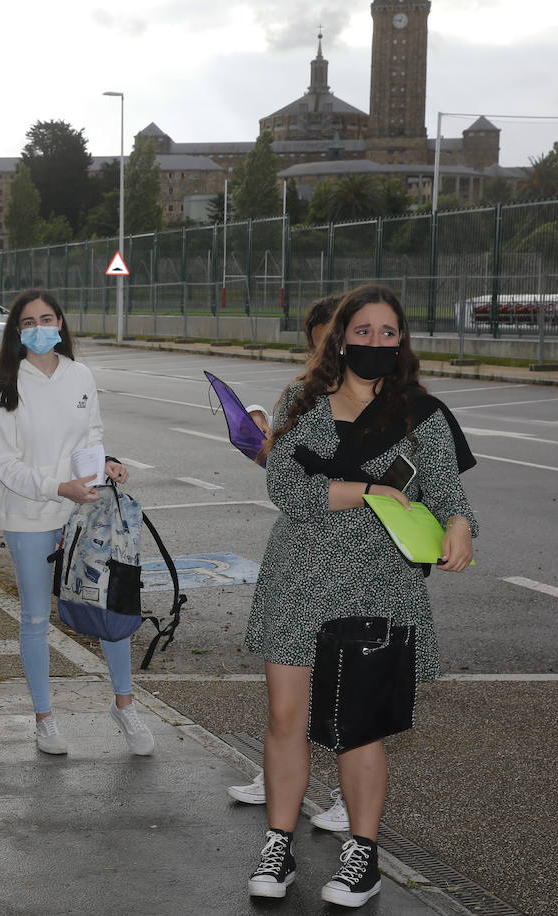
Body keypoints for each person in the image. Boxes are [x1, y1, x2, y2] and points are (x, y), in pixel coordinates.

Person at [243, 283, 477, 907]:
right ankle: (278, 843)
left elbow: (450, 497)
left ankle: (361, 856)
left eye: (388, 333)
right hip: (299, 578)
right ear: (341, 336)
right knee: (286, 718)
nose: (375, 342)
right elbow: (285, 488)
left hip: (379, 587)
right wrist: (366, 492)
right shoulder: (302, 398)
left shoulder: (420, 413)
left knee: (360, 727)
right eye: (364, 331)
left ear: (402, 341)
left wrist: (460, 526)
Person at [0, 288, 153, 757]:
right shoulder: (3, 385)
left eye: (47, 318)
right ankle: (45, 719)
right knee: (37, 618)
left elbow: (91, 436)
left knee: (110, 606)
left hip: (86, 514)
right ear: (17, 332)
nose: (40, 328)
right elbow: (7, 465)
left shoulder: (80, 375)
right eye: (29, 322)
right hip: (30, 515)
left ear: (61, 323)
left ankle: (124, 705)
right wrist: (60, 487)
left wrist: (106, 465)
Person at [231, 292, 348, 831]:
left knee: (347, 685)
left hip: (358, 562)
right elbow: (289, 482)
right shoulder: (298, 398)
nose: (337, 350)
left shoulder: (390, 402)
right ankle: (278, 778)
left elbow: (421, 483)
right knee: (287, 696)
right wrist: (264, 447)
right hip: (299, 561)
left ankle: (352, 795)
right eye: (323, 342)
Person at [245, 294, 344, 442]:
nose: (328, 358)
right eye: (318, 351)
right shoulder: (302, 392)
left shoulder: (381, 395)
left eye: (336, 347)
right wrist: (258, 416)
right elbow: (286, 433)